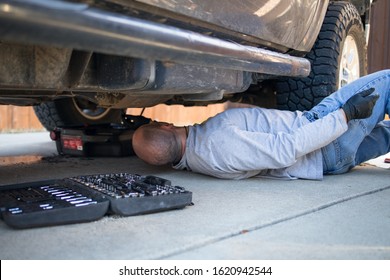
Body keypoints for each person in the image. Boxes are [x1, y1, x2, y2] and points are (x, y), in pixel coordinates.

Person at [132, 70, 390, 180]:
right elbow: (285, 149)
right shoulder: (215, 144)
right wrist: (345, 114)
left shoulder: (198, 154)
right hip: (327, 140)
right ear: (166, 125)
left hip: (331, 158)